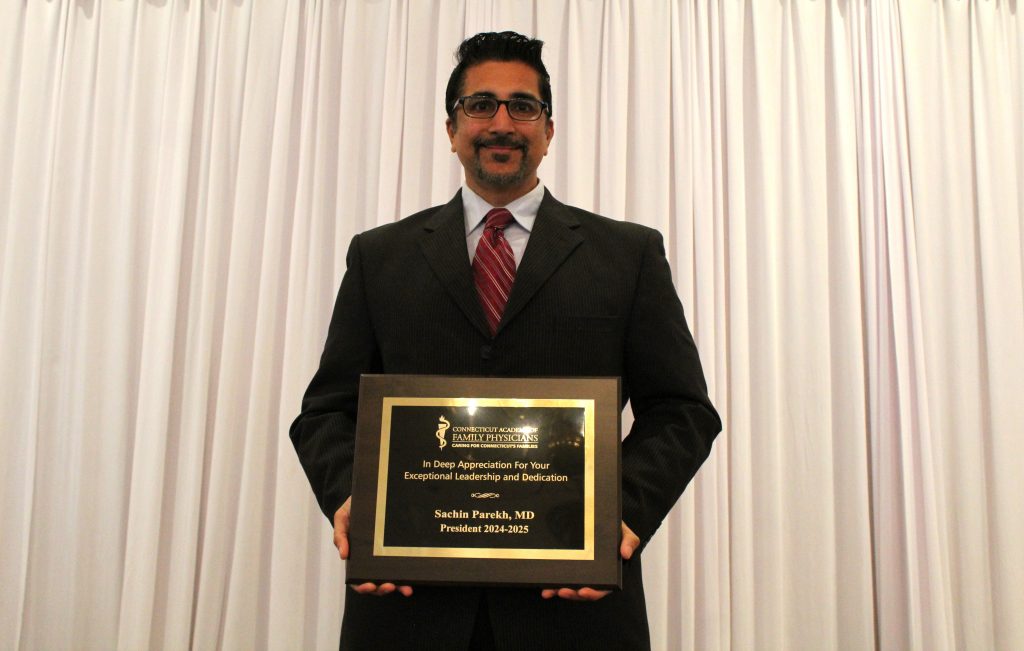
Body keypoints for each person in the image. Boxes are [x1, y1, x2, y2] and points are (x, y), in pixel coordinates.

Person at [290, 31, 721, 650]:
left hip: (575, 617)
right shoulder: (378, 257)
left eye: (523, 106)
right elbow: (325, 412)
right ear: (450, 127)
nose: (501, 122)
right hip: (409, 613)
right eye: (480, 105)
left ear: (548, 129)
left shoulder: (627, 256)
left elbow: (683, 411)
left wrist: (615, 518)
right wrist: (356, 501)